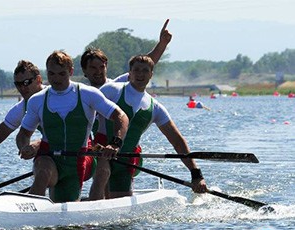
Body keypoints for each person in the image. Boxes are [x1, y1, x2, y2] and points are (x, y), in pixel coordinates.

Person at [16, 51, 129, 203]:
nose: (56, 79)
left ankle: (95, 201)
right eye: (51, 74)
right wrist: (24, 147)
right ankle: (28, 213)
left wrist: (115, 143)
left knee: (67, 212)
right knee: (42, 170)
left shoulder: (88, 94)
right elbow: (23, 134)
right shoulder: (37, 100)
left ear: (70, 71)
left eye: (61, 74)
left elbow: (121, 116)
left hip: (78, 161)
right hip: (49, 158)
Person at [89, 55, 208, 200]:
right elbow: (86, 114)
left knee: (121, 216)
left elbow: (177, 141)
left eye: (145, 70)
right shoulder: (111, 90)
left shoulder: (156, 108)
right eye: (136, 70)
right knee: (102, 171)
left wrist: (196, 174)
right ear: (130, 73)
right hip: (101, 152)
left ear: (151, 75)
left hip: (126, 160)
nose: (140, 74)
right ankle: (93, 208)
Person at [0, 60, 45, 197]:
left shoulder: (54, 96)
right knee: (41, 163)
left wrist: (38, 145)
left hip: (82, 150)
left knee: (42, 163)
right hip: (54, 155)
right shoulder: (20, 109)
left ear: (38, 80)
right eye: (18, 84)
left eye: (26, 82)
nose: (22, 88)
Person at [80, 19, 172, 88]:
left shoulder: (117, 85)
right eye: (93, 68)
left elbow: (146, 62)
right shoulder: (81, 93)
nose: (98, 71)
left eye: (101, 67)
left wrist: (162, 44)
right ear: (84, 70)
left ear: (106, 66)